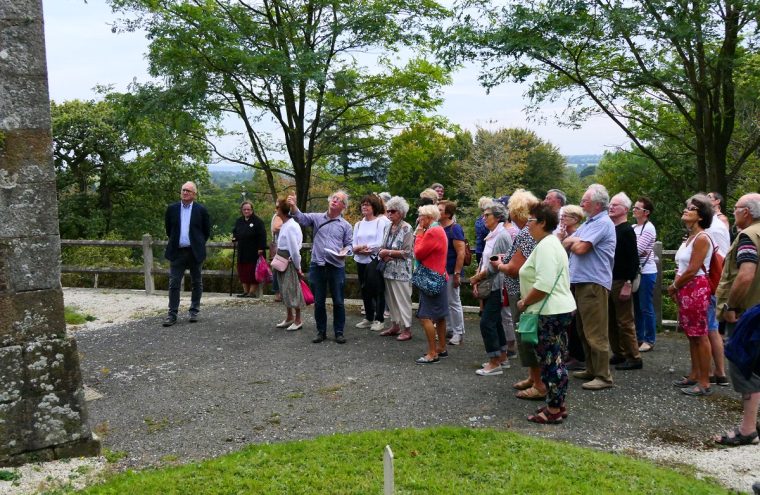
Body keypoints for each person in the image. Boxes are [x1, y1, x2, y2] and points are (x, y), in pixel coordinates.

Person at [518, 203, 576, 423]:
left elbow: (543, 285)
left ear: (542, 223)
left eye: (531, 221)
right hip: (558, 309)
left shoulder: (546, 246)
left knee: (551, 361)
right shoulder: (550, 244)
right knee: (556, 358)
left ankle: (553, 411)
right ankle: (557, 404)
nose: (528, 225)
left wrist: (525, 302)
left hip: (549, 313)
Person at [714, 193, 760, 445]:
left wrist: (731, 305)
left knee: (747, 370)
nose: (733, 213)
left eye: (736, 209)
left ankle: (747, 429)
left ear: (747, 212)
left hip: (749, 316)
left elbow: (745, 275)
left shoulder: (748, 237)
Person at [563, 184, 616, 391]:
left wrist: (573, 241)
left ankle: (603, 376)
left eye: (585, 200)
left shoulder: (602, 223)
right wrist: (573, 240)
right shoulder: (589, 222)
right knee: (583, 329)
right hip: (581, 282)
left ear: (597, 204)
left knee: (596, 331)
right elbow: (568, 241)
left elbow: (580, 247)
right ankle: (592, 369)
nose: (581, 203)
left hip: (593, 283)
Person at [288, 191, 353, 344]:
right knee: (319, 301)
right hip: (317, 264)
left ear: (343, 206)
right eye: (333, 198)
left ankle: (339, 332)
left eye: (339, 200)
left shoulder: (346, 225)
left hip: (336, 266)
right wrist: (293, 206)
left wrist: (345, 251)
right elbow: (301, 218)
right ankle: (321, 332)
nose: (335, 201)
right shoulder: (317, 218)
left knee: (338, 301)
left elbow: (350, 244)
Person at [495, 189, 542, 399]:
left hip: (520, 291)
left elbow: (515, 269)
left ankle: (538, 383)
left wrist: (500, 264)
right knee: (528, 336)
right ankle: (533, 377)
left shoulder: (524, 234)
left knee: (527, 336)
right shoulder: (533, 233)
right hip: (525, 289)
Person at [668, 194, 715, 396]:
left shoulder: (702, 238)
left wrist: (674, 286)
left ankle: (705, 382)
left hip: (695, 287)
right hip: (686, 287)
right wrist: (678, 286)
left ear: (701, 217)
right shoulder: (690, 237)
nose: (686, 210)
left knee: (700, 335)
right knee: (691, 334)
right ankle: (694, 374)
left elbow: (693, 269)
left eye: (692, 209)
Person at [471, 202, 512, 374]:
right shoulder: (492, 234)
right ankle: (502, 357)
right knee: (494, 321)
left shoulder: (501, 236)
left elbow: (495, 265)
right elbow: (485, 260)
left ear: (497, 217)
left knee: (486, 322)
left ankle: (494, 362)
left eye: (487, 215)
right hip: (490, 284)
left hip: (497, 286)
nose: (483, 218)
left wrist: (477, 278)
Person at [162, 181, 210, 327]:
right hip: (177, 251)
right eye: (183, 190)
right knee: (174, 283)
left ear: (194, 194)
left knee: (196, 282)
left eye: (188, 191)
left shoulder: (201, 210)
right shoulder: (172, 209)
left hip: (194, 251)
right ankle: (172, 314)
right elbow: (168, 230)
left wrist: (198, 243)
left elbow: (206, 231)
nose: (185, 192)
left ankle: (194, 311)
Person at [607, 193, 643, 371]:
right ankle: (619, 352)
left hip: (622, 280)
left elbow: (634, 260)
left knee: (625, 320)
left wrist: (628, 282)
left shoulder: (627, 230)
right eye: (610, 204)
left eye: (616, 205)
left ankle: (634, 356)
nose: (611, 207)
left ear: (625, 210)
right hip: (609, 279)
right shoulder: (611, 228)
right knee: (611, 320)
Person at [413, 204, 449, 364]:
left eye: (421, 216)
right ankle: (442, 347)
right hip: (440, 277)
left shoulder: (432, 231)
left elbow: (418, 252)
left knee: (425, 316)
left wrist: (419, 234)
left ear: (428, 217)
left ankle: (432, 352)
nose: (419, 219)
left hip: (430, 279)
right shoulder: (439, 229)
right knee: (440, 315)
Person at [378, 196, 415, 341]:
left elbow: (407, 252)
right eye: (388, 211)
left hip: (401, 271)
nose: (389, 214)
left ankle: (407, 329)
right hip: (388, 268)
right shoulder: (387, 226)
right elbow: (382, 244)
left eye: (392, 211)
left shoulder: (407, 228)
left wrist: (388, 252)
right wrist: (383, 253)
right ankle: (395, 325)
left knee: (402, 299)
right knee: (391, 299)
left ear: (400, 212)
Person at [353, 194, 391, 332]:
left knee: (377, 289)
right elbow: (353, 244)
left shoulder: (381, 222)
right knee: (364, 289)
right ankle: (368, 317)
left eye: (367, 204)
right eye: (363, 204)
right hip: (360, 260)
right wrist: (359, 248)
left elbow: (380, 242)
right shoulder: (358, 224)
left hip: (373, 260)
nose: (364, 206)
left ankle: (379, 319)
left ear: (374, 207)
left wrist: (364, 247)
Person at [705, 196, 731, 386]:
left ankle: (706, 372)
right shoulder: (715, 225)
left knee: (709, 329)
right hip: (716, 279)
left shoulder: (714, 226)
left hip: (711, 280)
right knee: (712, 328)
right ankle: (719, 372)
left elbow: (717, 256)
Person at [273, 198, 305, 330]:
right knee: (284, 288)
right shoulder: (286, 224)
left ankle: (298, 319)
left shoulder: (291, 226)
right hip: (281, 259)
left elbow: (294, 249)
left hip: (289, 261)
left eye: (277, 207)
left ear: (281, 210)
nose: (275, 210)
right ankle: (289, 317)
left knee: (292, 290)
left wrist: (298, 267)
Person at [438, 200, 467, 345]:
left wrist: (457, 273)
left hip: (450, 271)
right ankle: (449, 328)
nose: (437, 212)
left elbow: (460, 253)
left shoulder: (454, 229)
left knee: (454, 301)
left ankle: (458, 332)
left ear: (448, 214)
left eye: (440, 210)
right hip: (439, 271)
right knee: (444, 301)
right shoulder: (437, 227)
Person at [632, 196, 658, 352]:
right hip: (636, 272)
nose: (634, 210)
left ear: (646, 212)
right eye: (634, 208)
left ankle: (649, 339)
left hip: (646, 271)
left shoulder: (649, 228)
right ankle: (639, 337)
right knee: (637, 307)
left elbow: (637, 250)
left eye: (637, 208)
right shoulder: (634, 227)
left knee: (646, 306)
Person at [231, 201, 267, 298]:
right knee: (243, 271)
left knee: (252, 271)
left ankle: (252, 292)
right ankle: (245, 291)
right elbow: (235, 232)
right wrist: (234, 238)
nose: (246, 211)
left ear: (252, 210)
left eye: (248, 209)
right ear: (241, 210)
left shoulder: (258, 221)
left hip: (254, 251)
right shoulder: (239, 221)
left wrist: (261, 248)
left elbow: (262, 236)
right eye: (244, 209)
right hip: (242, 250)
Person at [270, 208, 284, 302]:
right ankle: (278, 293)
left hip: (285, 247)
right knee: (277, 270)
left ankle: (283, 293)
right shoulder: (277, 216)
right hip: (279, 247)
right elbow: (275, 228)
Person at [474, 196, 492, 265]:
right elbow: (485, 232)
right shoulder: (482, 221)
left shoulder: (478, 220)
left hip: (479, 249)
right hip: (484, 250)